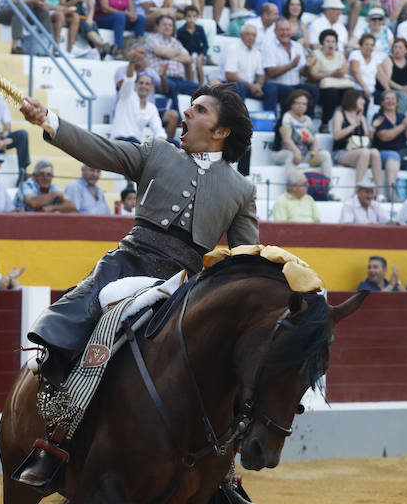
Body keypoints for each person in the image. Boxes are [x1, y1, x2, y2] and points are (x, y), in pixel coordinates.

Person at [14, 83, 257, 488]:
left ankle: (223, 474)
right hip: (127, 265)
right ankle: (53, 442)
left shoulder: (241, 190)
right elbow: (101, 149)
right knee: (86, 327)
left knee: (221, 363)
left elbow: (246, 256)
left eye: (198, 110)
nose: (186, 114)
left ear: (221, 131)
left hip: (184, 284)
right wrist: (49, 121)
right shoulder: (157, 152)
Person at [145, 14, 197, 128]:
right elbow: (161, 52)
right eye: (164, 25)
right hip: (161, 78)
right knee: (172, 86)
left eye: (170, 25)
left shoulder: (176, 42)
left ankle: (197, 120)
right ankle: (178, 119)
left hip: (179, 79)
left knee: (201, 89)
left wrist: (169, 54)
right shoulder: (151, 38)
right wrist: (177, 54)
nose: (168, 27)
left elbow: (188, 58)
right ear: (157, 27)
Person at [331, 90, 384, 194]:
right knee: (365, 152)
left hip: (359, 151)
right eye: (361, 100)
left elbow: (367, 138)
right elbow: (336, 136)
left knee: (375, 152)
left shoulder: (362, 118)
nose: (364, 102)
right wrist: (354, 125)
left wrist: (373, 128)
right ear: (353, 100)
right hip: (342, 151)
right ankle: (357, 191)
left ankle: (380, 192)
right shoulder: (340, 114)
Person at [271, 89, 332, 176]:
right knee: (292, 155)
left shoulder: (307, 119)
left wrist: (314, 152)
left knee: (324, 155)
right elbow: (287, 140)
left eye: (304, 104)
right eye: (298, 103)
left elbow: (314, 141)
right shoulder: (286, 117)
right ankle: (292, 187)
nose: (301, 106)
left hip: (303, 154)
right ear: (292, 103)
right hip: (283, 153)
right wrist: (296, 151)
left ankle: (326, 185)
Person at [265, 19, 317, 114]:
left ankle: (307, 123)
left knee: (313, 90)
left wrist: (307, 66)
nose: (285, 33)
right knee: (289, 90)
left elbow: (303, 73)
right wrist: (291, 65)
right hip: (277, 86)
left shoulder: (297, 46)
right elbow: (270, 72)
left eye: (287, 30)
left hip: (295, 85)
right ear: (275, 31)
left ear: (291, 32)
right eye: (282, 30)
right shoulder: (268, 46)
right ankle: (283, 122)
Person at [111, 56, 165, 143]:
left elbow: (158, 130)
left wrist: (163, 142)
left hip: (135, 145)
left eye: (147, 84)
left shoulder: (151, 107)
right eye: (141, 83)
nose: (144, 86)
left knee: (174, 143)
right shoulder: (127, 95)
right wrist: (131, 63)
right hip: (119, 142)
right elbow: (128, 79)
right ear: (135, 85)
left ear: (151, 88)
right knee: (134, 141)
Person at [224, 26, 274, 113]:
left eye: (254, 35)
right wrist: (251, 86)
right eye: (248, 34)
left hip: (250, 87)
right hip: (232, 85)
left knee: (271, 88)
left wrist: (258, 85)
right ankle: (238, 119)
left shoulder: (257, 52)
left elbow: (261, 75)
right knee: (240, 86)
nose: (251, 38)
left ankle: (270, 120)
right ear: (241, 35)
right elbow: (229, 75)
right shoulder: (233, 48)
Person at [377, 38, 407, 115]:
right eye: (395, 47)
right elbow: (387, 80)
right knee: (404, 96)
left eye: (400, 47)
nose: (397, 49)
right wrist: (402, 88)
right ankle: (398, 120)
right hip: (393, 90)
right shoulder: (388, 60)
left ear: (406, 50)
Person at [349, 33, 386, 104]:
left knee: (387, 98)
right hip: (357, 89)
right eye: (366, 44)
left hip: (372, 90)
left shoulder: (376, 56)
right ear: (361, 45)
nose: (369, 47)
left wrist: (388, 91)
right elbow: (355, 73)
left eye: (372, 45)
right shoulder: (355, 54)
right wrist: (365, 89)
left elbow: (381, 75)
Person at [175, 5, 207, 84]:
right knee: (190, 63)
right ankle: (191, 84)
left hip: (198, 54)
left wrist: (201, 56)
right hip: (186, 54)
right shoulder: (181, 31)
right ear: (185, 17)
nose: (191, 19)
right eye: (189, 16)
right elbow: (179, 46)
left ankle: (201, 85)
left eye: (194, 16)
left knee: (198, 63)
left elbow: (205, 44)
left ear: (197, 17)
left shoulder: (200, 29)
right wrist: (186, 56)